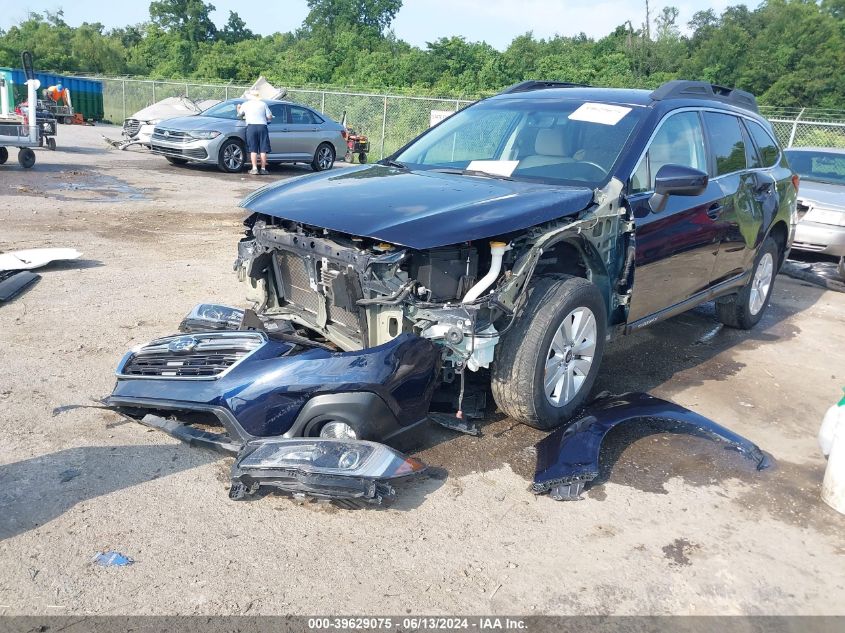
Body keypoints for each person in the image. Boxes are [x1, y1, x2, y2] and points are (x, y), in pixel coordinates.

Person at [237, 90, 272, 175]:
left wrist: (238, 108)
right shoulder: (263, 104)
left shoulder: (246, 104)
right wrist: (268, 119)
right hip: (262, 127)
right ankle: (263, 169)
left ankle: (254, 168)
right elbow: (269, 116)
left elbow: (240, 115)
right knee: (263, 150)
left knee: (253, 149)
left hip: (251, 127)